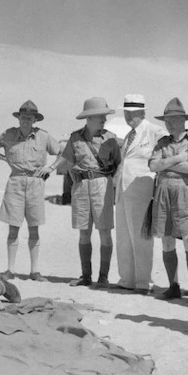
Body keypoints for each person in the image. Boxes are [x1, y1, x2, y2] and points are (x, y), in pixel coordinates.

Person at [0, 100, 62, 281]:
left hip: (36, 183)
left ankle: (34, 271)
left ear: (35, 120)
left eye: (29, 118)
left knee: (34, 228)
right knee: (13, 228)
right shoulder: (9, 134)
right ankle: (10, 270)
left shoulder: (43, 136)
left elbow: (62, 152)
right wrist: (5, 159)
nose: (25, 120)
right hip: (15, 182)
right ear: (18, 118)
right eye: (23, 117)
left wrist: (51, 168)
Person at [55, 97, 121, 288]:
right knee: (84, 232)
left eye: (104, 116)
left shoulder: (111, 139)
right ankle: (86, 276)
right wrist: (70, 171)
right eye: (100, 116)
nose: (104, 120)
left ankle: (103, 277)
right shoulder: (75, 138)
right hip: (81, 187)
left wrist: (112, 185)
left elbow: (118, 164)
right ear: (89, 118)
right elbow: (67, 158)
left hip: (102, 184)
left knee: (104, 232)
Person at [148, 97, 188, 304]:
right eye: (166, 120)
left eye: (172, 119)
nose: (168, 123)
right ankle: (173, 286)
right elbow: (153, 166)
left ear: (183, 120)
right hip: (163, 191)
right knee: (166, 239)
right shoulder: (162, 142)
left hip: (184, 191)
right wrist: (176, 159)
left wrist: (165, 163)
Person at [114, 94, 168, 294]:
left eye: (133, 113)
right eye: (127, 113)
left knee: (141, 237)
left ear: (142, 112)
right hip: (123, 190)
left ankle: (144, 282)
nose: (129, 116)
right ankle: (127, 278)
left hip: (142, 191)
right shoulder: (129, 135)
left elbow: (166, 151)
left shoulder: (154, 131)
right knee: (123, 236)